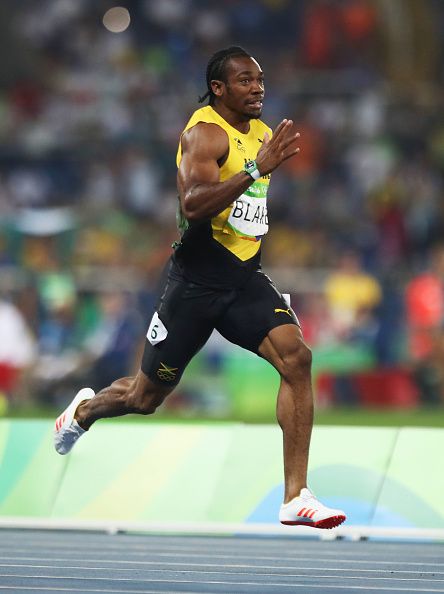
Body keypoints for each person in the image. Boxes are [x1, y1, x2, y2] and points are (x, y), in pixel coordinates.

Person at [54, 46, 346, 529]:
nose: (259, 89)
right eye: (246, 81)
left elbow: (252, 207)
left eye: (261, 80)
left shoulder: (264, 133)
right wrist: (256, 170)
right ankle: (83, 412)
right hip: (194, 284)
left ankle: (296, 496)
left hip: (244, 277)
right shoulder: (204, 134)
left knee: (297, 358)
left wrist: (262, 174)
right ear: (219, 88)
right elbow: (193, 206)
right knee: (144, 398)